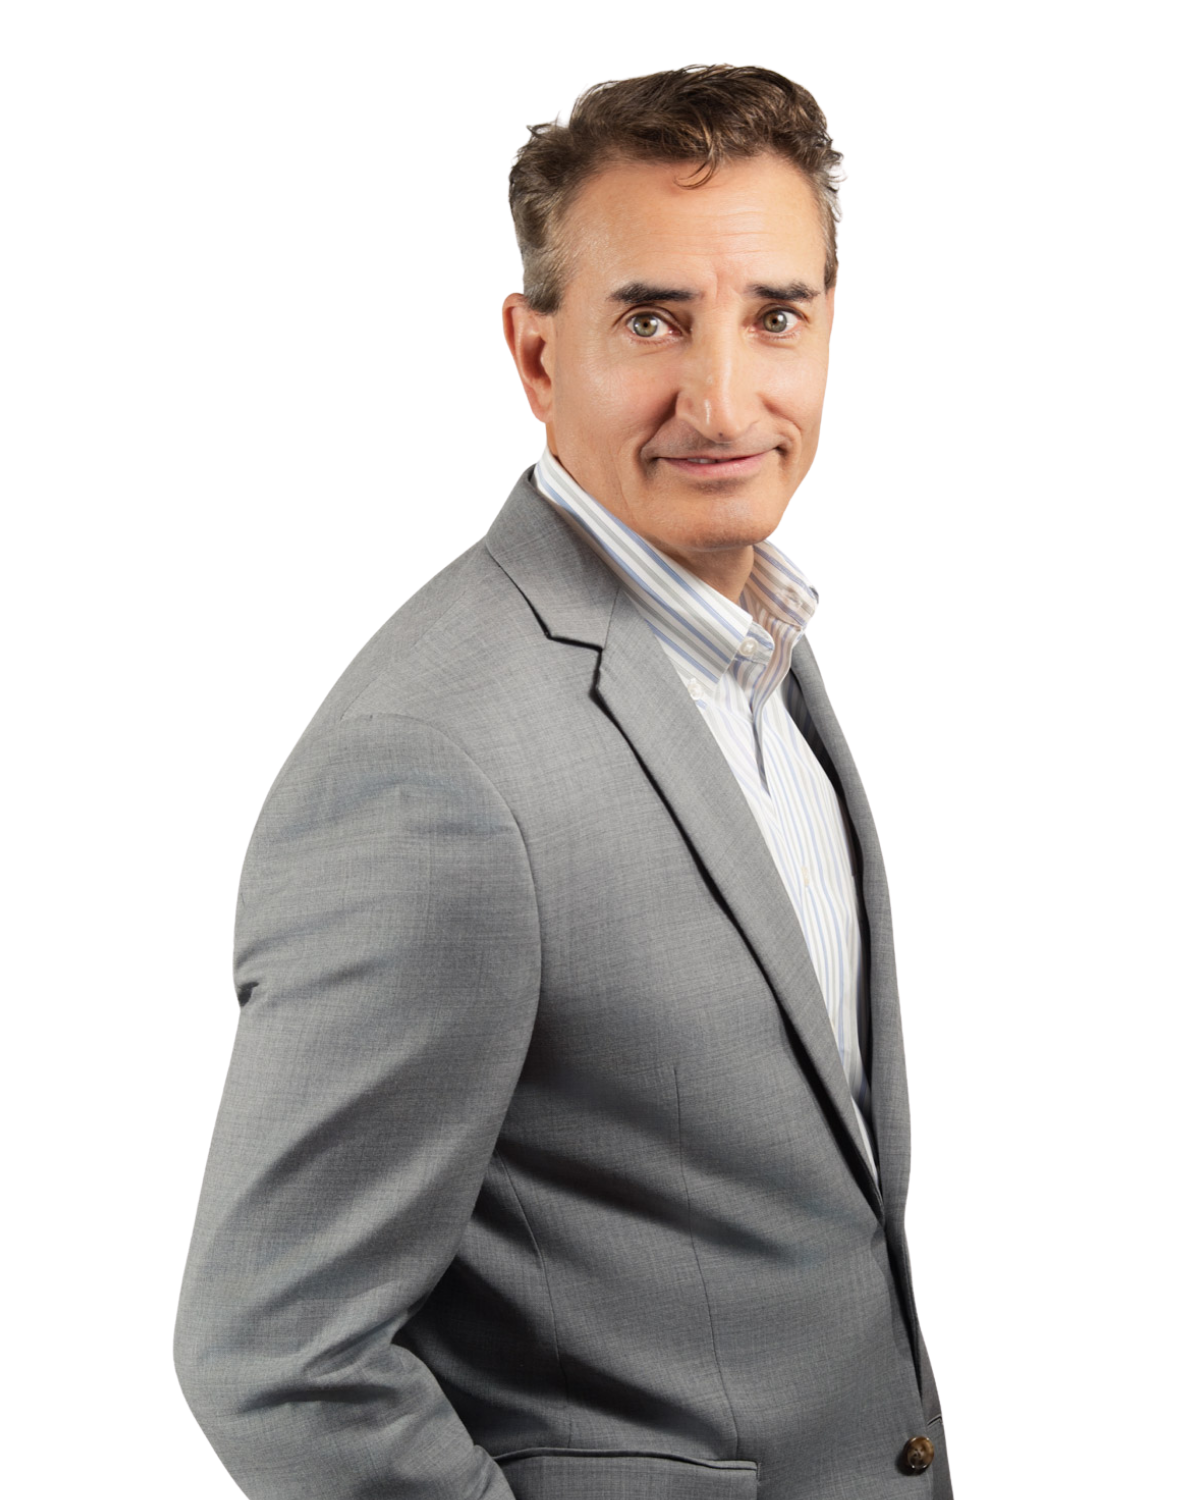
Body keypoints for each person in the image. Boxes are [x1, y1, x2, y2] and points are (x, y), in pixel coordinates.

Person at [174, 63, 952, 1499]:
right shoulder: (430, 766)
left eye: (775, 316)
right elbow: (276, 1356)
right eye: (651, 319)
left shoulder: (758, 632)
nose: (723, 398)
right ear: (536, 357)